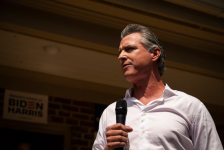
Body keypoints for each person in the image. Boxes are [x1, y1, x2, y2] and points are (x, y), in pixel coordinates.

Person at [92, 24, 223, 150]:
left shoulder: (191, 107)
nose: (121, 56)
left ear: (155, 54)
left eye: (129, 49)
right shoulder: (111, 112)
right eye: (120, 52)